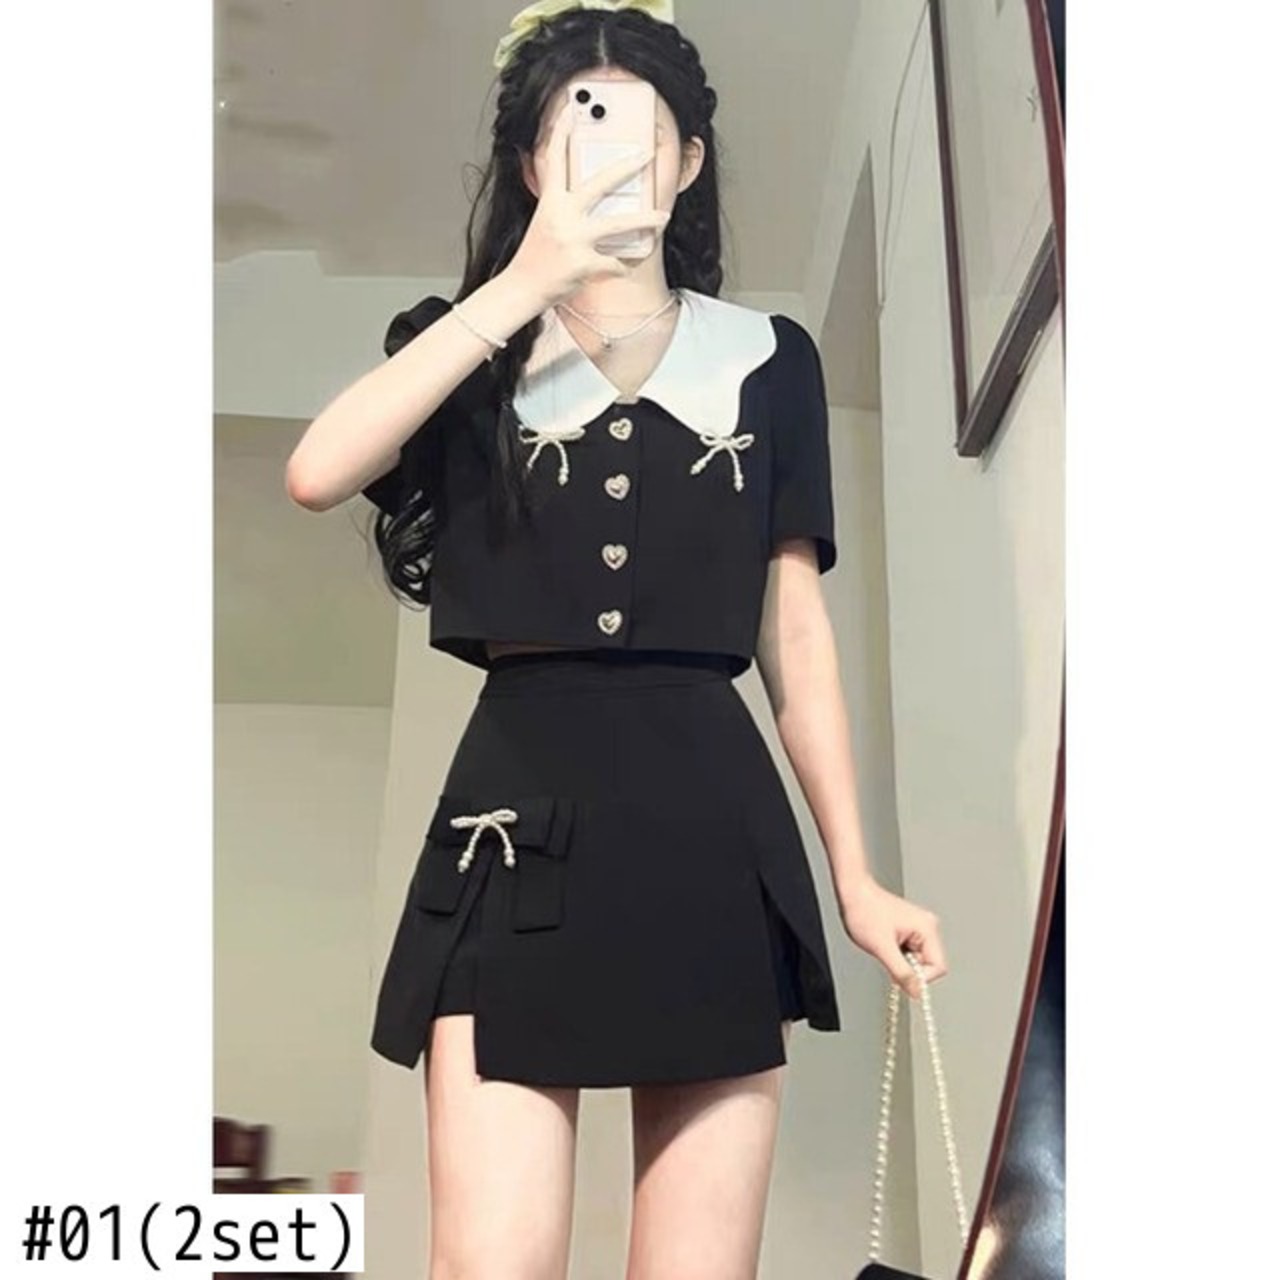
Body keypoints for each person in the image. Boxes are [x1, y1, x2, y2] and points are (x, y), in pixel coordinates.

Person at [286, 2, 949, 1276]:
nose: (608, 162)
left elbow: (792, 630)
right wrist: (522, 285)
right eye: (573, 136)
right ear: (531, 164)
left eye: (641, 139)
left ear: (687, 161)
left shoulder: (770, 362)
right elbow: (317, 472)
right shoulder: (466, 344)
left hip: (711, 823)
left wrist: (856, 877)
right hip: (510, 822)